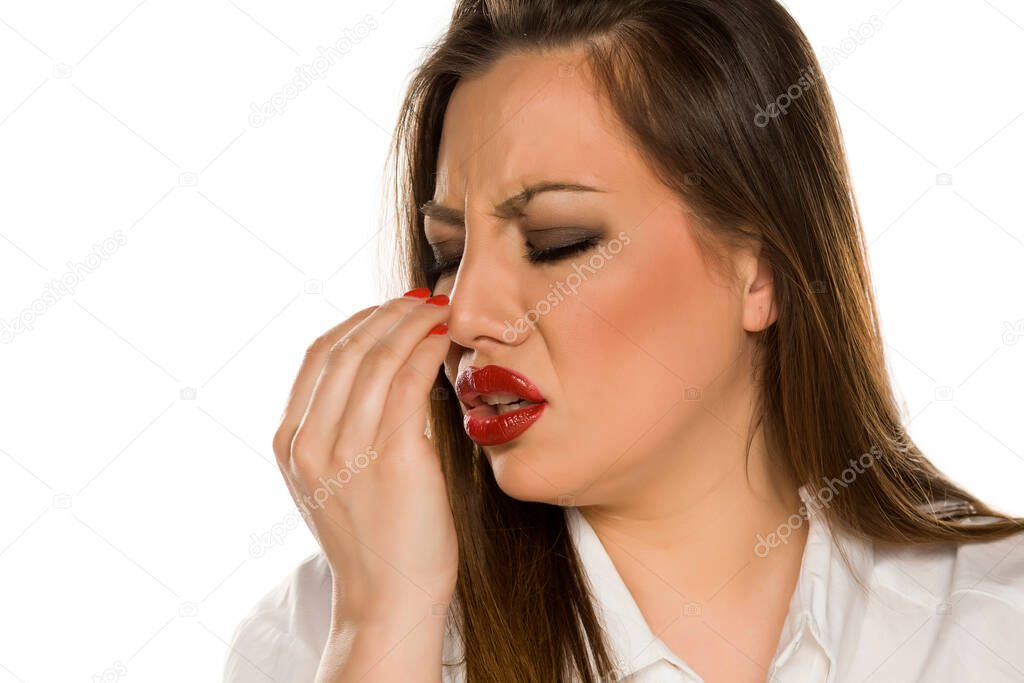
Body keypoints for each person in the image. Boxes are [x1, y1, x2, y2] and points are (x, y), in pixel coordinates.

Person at [223, 1, 1024, 681]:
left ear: (762, 273)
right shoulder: (318, 635)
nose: (463, 318)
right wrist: (383, 624)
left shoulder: (996, 628)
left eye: (556, 240)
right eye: (446, 254)